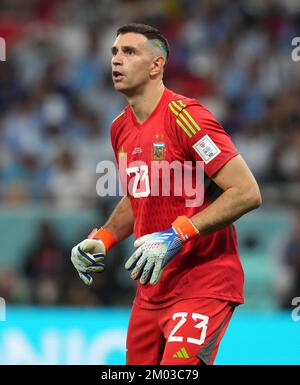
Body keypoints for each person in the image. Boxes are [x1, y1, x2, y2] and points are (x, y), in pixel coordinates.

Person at [71, 23, 262, 365]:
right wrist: (104, 237)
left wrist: (178, 234)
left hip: (203, 282)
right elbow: (139, 194)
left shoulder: (186, 117)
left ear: (156, 65)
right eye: (114, 52)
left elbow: (246, 191)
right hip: (151, 291)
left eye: (129, 52)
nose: (117, 60)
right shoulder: (119, 128)